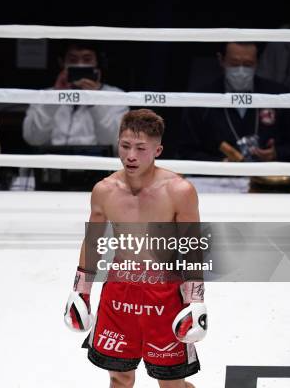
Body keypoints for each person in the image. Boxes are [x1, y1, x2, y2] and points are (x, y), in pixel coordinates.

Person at [64, 109, 206, 388]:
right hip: (120, 292)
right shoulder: (104, 190)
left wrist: (195, 301)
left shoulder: (179, 191)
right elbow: (93, 242)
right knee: (120, 377)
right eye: (125, 146)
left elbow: (192, 247)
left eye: (140, 148)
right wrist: (80, 291)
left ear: (157, 150)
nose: (131, 155)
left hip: (164, 294)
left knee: (171, 383)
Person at [178, 42, 290, 162]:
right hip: (216, 180)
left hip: (267, 178)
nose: (241, 71)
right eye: (234, 64)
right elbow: (186, 150)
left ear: (257, 63)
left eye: (248, 64)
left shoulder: (277, 95)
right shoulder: (202, 100)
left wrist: (277, 153)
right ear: (221, 60)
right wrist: (218, 163)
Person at [23, 41, 128, 147]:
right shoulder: (43, 96)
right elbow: (33, 139)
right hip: (53, 160)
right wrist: (55, 97)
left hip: (95, 161)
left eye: (87, 60)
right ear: (62, 62)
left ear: (98, 63)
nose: (80, 65)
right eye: (73, 60)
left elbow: (114, 142)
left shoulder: (116, 96)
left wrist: (94, 101)